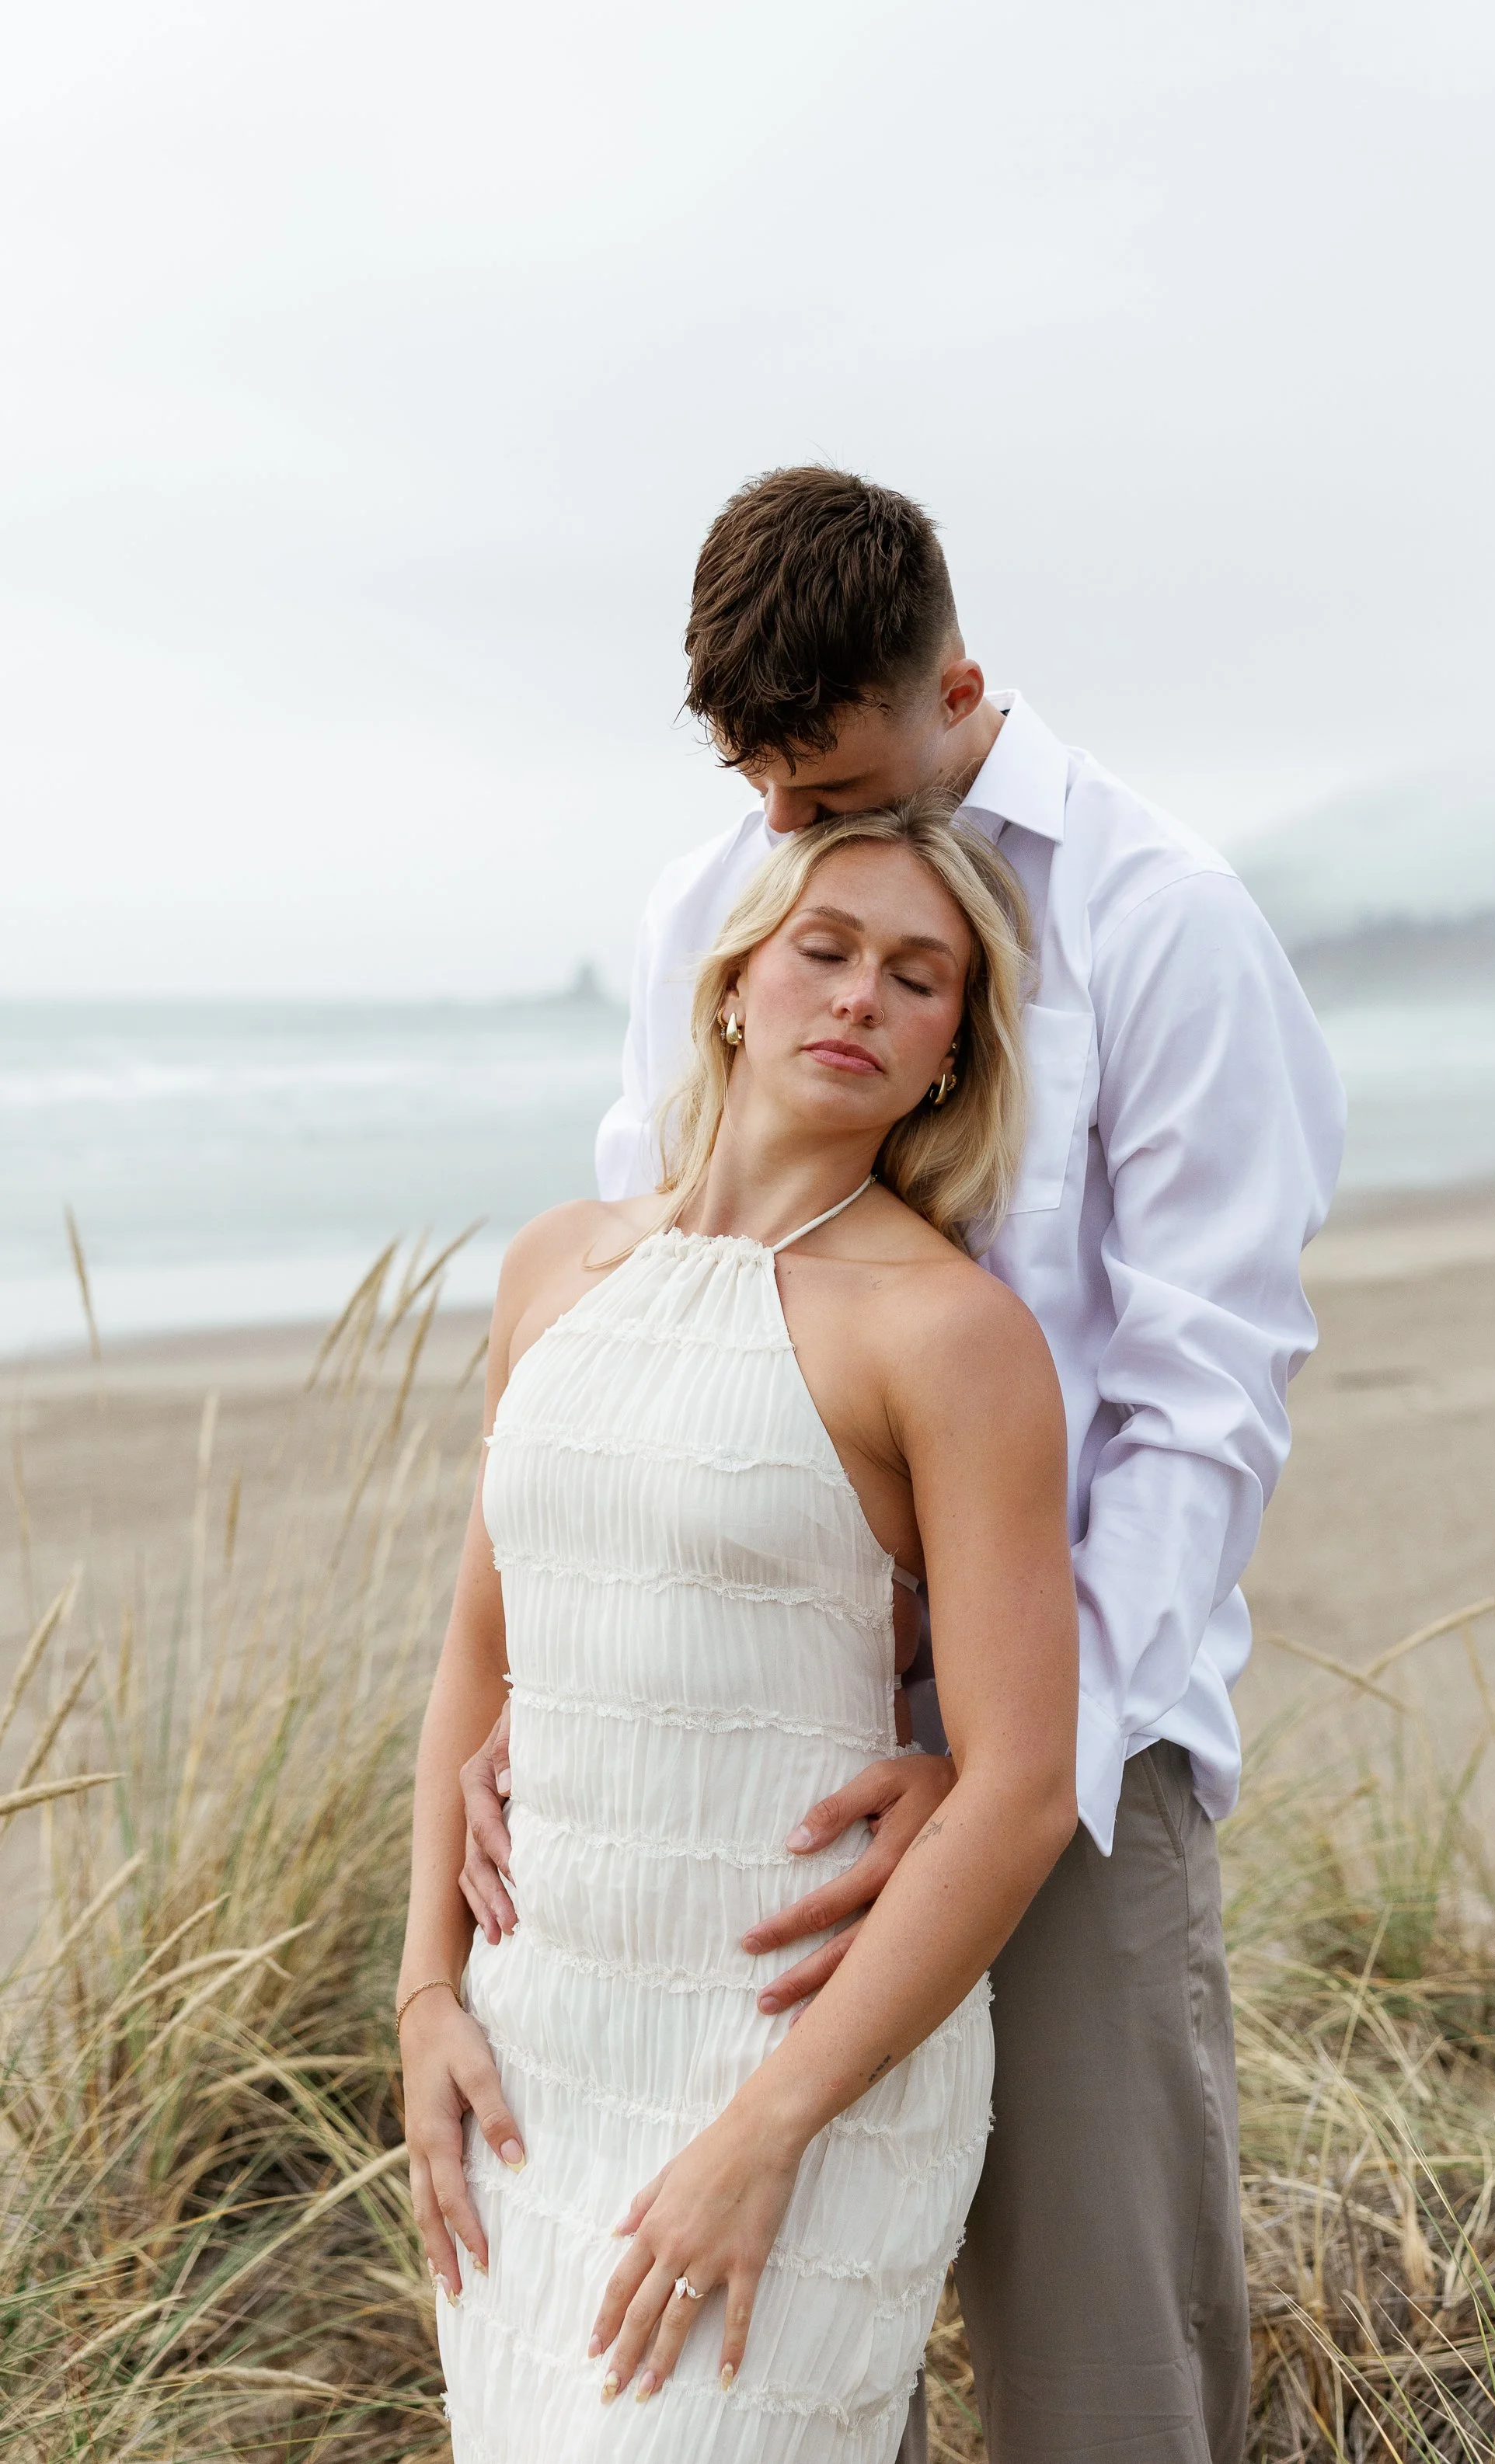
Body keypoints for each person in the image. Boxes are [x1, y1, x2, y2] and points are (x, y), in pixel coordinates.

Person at [459, 468, 1346, 2464]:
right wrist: (538, 1688)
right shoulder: (725, 894)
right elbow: (645, 1299)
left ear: (956, 686)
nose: (785, 827)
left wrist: (1010, 1752)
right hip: (731, 1786)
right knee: (706, 2367)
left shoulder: (1161, 918)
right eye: (759, 785)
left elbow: (1203, 1397)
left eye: (829, 773)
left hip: (1070, 1768)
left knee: (1096, 2379)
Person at [397, 796, 1081, 2462]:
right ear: (730, 985)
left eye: (918, 980)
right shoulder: (555, 1268)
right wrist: (426, 1992)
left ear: (949, 1056)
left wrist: (770, 2126)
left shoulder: (952, 1334)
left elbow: (1020, 1786)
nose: (860, 996)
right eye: (825, 949)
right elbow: (479, 1658)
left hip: (791, 2066)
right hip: (539, 2053)